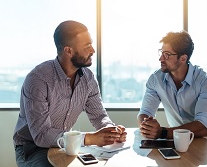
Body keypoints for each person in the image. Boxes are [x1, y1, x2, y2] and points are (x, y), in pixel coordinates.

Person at [13, 20, 127, 167]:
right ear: (68, 51)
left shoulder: (88, 78)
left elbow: (99, 116)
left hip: (67, 144)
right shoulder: (38, 80)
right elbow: (42, 136)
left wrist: (111, 131)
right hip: (32, 148)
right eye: (87, 46)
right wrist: (90, 139)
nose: (93, 50)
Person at [137, 30, 207, 145]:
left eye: (167, 54)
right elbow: (145, 112)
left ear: (183, 58)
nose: (161, 58)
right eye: (161, 52)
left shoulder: (205, 80)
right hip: (173, 136)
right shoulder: (156, 79)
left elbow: (203, 125)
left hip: (204, 137)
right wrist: (147, 127)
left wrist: (163, 132)